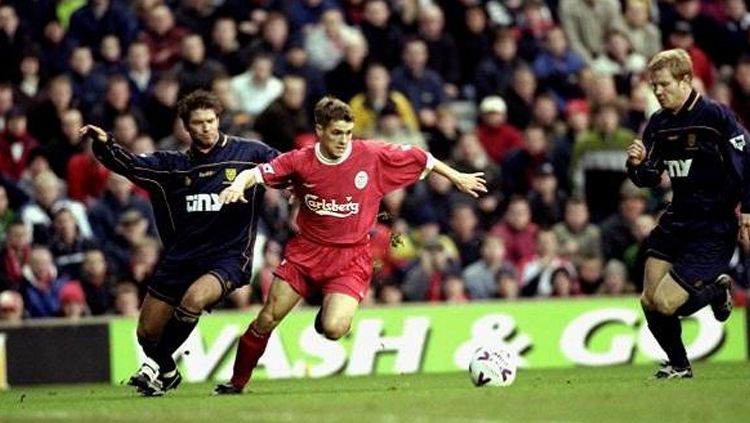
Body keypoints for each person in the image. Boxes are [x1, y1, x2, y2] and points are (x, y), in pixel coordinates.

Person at [214, 96, 486, 394]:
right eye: (336, 133)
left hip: (351, 257)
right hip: (306, 252)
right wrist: (238, 185)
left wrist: (457, 177)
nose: (344, 140)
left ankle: (325, 315)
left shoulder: (370, 154)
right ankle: (236, 383)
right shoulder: (301, 160)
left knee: (334, 329)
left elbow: (423, 158)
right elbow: (257, 173)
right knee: (267, 318)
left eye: (348, 132)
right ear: (320, 130)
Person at [79, 90, 278, 396]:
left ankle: (152, 369)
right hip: (181, 258)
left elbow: (289, 166)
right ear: (186, 127)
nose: (206, 128)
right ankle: (168, 371)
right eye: (198, 123)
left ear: (218, 120)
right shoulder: (171, 166)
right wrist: (105, 145)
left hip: (228, 256)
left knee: (195, 299)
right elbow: (130, 165)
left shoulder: (250, 154)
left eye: (211, 121)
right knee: (147, 334)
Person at [626, 48, 750, 379]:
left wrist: (747, 211)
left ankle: (717, 290)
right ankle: (680, 366)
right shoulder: (659, 124)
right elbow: (650, 178)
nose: (658, 91)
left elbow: (747, 166)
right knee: (649, 301)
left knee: (667, 303)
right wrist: (636, 165)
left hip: (712, 225)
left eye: (664, 84)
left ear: (686, 80)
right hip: (677, 218)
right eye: (653, 86)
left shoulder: (716, 118)